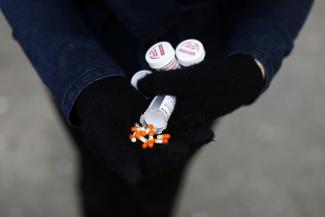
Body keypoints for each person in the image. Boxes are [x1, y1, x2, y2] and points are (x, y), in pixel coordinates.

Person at [0, 0, 313, 216]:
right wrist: (80, 76)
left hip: (210, 61)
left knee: (167, 173)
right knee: (102, 176)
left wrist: (256, 56)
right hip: (88, 40)